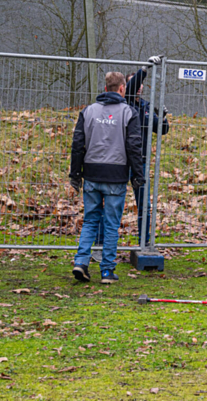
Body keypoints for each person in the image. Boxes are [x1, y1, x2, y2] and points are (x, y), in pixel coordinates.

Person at [70, 71, 145, 284]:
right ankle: (107, 271)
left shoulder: (88, 111)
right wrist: (137, 175)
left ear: (105, 88)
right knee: (111, 223)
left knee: (91, 220)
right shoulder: (129, 113)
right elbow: (133, 147)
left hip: (92, 174)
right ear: (122, 89)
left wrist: (75, 174)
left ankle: (81, 262)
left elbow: (77, 145)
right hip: (116, 175)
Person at [95, 56, 168, 253]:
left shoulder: (144, 106)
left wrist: (163, 117)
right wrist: (144, 70)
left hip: (140, 162)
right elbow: (133, 84)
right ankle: (101, 245)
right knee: (111, 205)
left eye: (141, 84)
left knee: (144, 206)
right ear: (124, 87)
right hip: (120, 162)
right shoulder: (123, 104)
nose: (139, 87)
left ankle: (144, 244)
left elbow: (161, 130)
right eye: (135, 83)